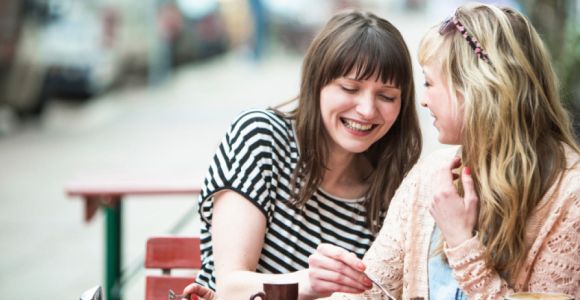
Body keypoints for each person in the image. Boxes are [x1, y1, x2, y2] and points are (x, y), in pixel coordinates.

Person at [310, 2, 579, 299]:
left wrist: (462, 242)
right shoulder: (430, 175)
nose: (423, 102)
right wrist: (336, 281)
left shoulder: (570, 195)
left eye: (429, 83)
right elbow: (370, 290)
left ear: (474, 89)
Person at [184, 9, 422, 300]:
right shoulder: (261, 136)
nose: (367, 110)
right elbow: (230, 287)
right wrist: (310, 282)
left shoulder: (394, 185)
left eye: (386, 96)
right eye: (350, 88)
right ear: (317, 83)